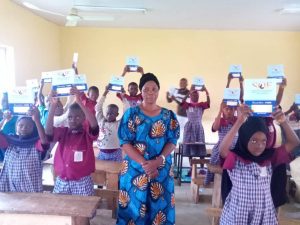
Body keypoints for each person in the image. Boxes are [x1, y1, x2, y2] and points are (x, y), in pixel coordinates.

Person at [219, 105, 300, 224]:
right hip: (238, 213)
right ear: (245, 138)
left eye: (264, 141)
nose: (259, 146)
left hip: (263, 213)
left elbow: (294, 142)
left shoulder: (270, 157)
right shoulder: (236, 158)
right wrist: (239, 122)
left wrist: (283, 122)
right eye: (254, 140)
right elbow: (222, 150)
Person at [117, 73, 179, 225]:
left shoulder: (168, 115)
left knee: (160, 210)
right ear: (141, 91)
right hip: (135, 170)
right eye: (146, 89)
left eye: (154, 89)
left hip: (161, 170)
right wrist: (146, 164)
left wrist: (159, 160)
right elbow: (125, 142)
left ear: (158, 91)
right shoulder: (131, 114)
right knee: (134, 209)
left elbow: (172, 141)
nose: (150, 92)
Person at [45, 86, 99, 197]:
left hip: (82, 181)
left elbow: (94, 124)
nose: (73, 120)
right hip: (62, 180)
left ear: (84, 118)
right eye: (69, 117)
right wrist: (53, 106)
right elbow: (48, 131)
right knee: (61, 210)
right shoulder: (63, 132)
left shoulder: (86, 134)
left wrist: (79, 102)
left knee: (84, 210)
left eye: (77, 117)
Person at [0, 106, 49, 192]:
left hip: (31, 189)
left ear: (33, 128)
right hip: (11, 187)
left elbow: (44, 141)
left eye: (29, 126)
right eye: (20, 125)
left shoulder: (36, 143)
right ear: (16, 127)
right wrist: (4, 120)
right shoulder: (10, 141)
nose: (24, 128)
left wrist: (37, 120)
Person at [204, 102, 238, 186]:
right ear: (223, 110)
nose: (229, 111)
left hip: (234, 148)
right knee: (214, 160)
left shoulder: (237, 120)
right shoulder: (220, 120)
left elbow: (242, 120)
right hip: (221, 147)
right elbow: (215, 128)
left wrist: (238, 106)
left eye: (232, 109)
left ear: (235, 110)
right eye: (226, 109)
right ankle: (208, 181)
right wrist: (220, 110)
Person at [95, 85, 122, 162]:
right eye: (108, 113)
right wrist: (105, 92)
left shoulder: (118, 124)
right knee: (101, 172)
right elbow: (98, 108)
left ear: (117, 114)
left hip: (116, 153)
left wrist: (123, 97)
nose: (109, 115)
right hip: (102, 153)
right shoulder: (101, 121)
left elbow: (127, 111)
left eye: (112, 113)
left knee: (117, 172)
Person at [182, 86, 210, 158]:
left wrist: (206, 92)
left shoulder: (201, 105)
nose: (195, 96)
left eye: (197, 95)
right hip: (189, 127)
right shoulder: (188, 105)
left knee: (201, 145)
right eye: (193, 95)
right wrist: (188, 92)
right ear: (190, 96)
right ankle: (191, 167)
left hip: (198, 127)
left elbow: (208, 103)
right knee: (190, 146)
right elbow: (182, 102)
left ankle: (202, 167)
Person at [166, 78, 189, 144]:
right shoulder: (176, 91)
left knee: (184, 132)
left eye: (184, 83)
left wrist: (175, 99)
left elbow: (183, 104)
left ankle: (183, 146)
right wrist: (167, 95)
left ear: (187, 84)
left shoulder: (188, 93)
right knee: (177, 130)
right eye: (181, 83)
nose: (182, 84)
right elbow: (169, 100)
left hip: (186, 116)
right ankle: (177, 145)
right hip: (178, 115)